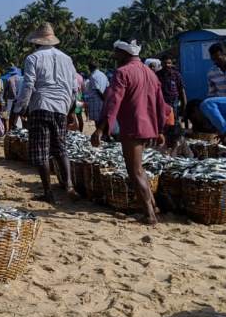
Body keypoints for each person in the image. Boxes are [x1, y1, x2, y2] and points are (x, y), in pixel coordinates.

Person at [91, 40, 166, 225]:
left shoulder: (122, 72)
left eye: (116, 53)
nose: (114, 57)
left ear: (123, 53)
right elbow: (160, 103)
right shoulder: (150, 72)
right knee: (139, 168)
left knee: (135, 171)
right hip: (149, 127)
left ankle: (149, 214)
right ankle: (153, 205)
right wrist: (161, 128)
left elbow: (113, 101)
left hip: (133, 127)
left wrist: (101, 128)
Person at [12, 23, 78, 202]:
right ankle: (69, 185)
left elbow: (28, 85)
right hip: (61, 107)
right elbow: (74, 87)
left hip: (41, 105)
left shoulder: (33, 58)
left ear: (37, 42)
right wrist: (71, 109)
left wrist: (20, 108)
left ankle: (48, 192)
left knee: (41, 151)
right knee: (60, 148)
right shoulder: (67, 58)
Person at [155, 57, 187, 124]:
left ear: (172, 64)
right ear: (161, 64)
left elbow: (181, 89)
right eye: (165, 63)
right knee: (162, 120)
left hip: (174, 102)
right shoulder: (157, 75)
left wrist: (184, 104)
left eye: (169, 63)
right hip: (162, 102)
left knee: (174, 121)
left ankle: (175, 132)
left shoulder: (176, 75)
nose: (167, 65)